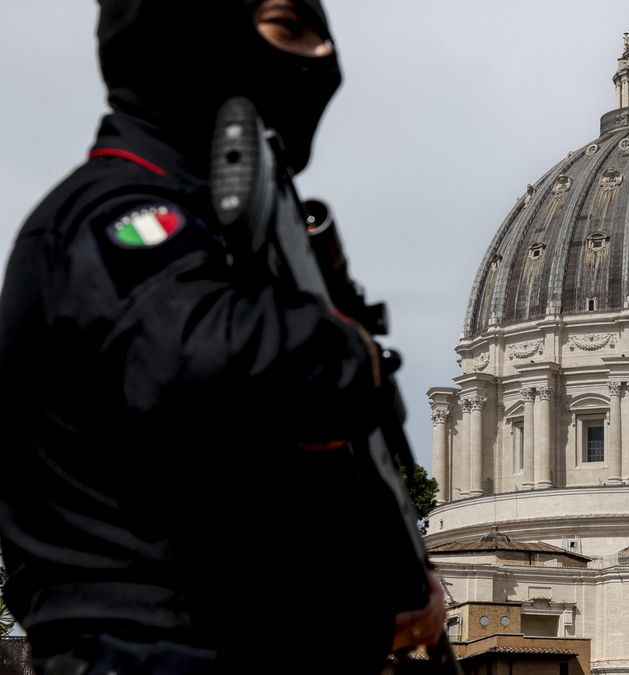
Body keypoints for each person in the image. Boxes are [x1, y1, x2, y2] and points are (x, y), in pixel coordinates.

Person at [0, 1, 445, 673]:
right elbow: (207, 368)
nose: (323, 58)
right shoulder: (118, 216)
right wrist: (350, 354)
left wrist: (361, 614)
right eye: (286, 26)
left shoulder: (206, 239)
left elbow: (227, 514)